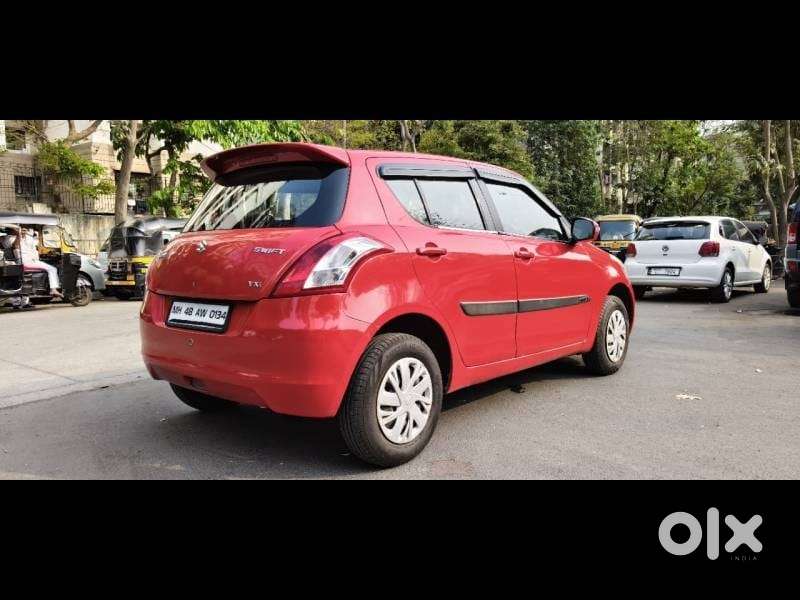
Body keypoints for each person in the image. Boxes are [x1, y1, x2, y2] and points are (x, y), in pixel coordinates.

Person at [20, 227, 61, 297]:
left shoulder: (29, 239)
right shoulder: (18, 239)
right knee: (52, 269)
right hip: (28, 262)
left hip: (32, 261)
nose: (24, 232)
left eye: (25, 230)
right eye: (22, 230)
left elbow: (36, 247)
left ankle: (48, 288)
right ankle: (53, 289)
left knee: (50, 268)